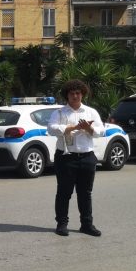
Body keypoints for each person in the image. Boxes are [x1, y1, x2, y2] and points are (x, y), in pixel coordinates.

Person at [47, 79, 104, 237]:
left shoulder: (91, 112)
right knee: (64, 192)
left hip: (87, 156)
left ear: (82, 94)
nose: (75, 96)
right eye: (72, 93)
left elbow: (101, 131)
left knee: (85, 193)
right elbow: (51, 128)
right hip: (66, 157)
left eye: (78, 93)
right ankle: (62, 224)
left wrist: (89, 128)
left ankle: (86, 224)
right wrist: (73, 127)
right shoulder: (59, 113)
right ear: (67, 95)